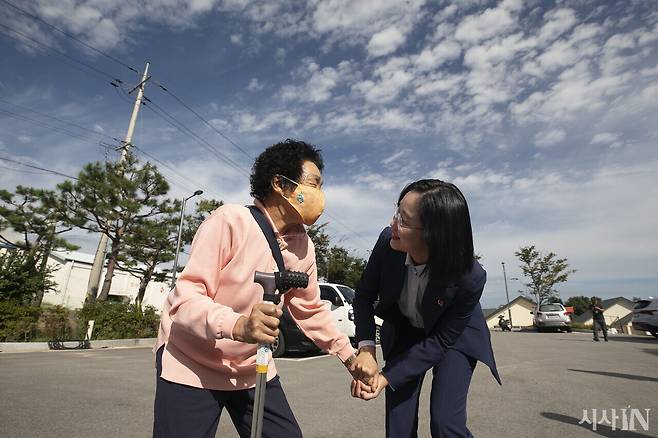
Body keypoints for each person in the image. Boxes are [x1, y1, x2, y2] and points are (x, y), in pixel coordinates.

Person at [152, 139, 358, 438]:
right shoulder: (230, 221)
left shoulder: (304, 248)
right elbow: (184, 302)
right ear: (279, 183)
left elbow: (311, 309)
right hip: (191, 362)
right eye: (314, 184)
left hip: (252, 366)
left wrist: (349, 357)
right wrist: (239, 325)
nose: (320, 196)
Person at [350, 179, 501, 437]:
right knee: (399, 422)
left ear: (434, 235)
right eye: (397, 212)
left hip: (453, 339)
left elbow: (441, 341)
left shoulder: (470, 276)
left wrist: (386, 377)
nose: (392, 224)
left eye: (404, 221)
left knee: (445, 423)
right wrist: (366, 350)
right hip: (405, 331)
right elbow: (363, 296)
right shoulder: (388, 242)